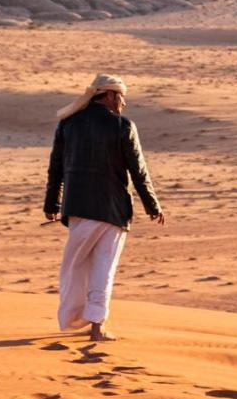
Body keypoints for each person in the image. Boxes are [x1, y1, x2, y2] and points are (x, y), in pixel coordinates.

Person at [44, 73, 165, 341]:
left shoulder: (68, 124)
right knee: (103, 267)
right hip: (113, 210)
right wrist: (152, 205)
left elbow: (56, 167)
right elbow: (138, 170)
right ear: (109, 95)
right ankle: (97, 325)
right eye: (121, 97)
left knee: (75, 266)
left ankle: (73, 318)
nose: (123, 103)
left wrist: (51, 203)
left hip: (77, 208)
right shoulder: (123, 126)